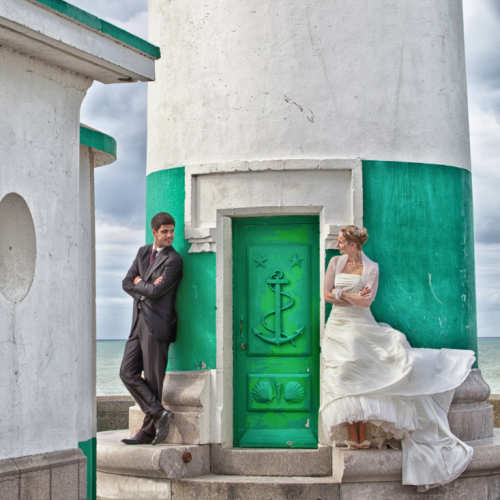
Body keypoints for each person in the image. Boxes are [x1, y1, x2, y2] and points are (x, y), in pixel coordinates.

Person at [320, 225, 475, 491]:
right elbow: (326, 295)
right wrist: (349, 297)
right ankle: (352, 433)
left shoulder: (372, 268)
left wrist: (342, 294)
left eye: (343, 241)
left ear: (355, 244)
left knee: (364, 374)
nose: (339, 245)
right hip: (337, 327)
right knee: (342, 374)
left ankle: (363, 435)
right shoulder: (335, 262)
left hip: (361, 326)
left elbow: (366, 303)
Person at [119, 212, 183, 445]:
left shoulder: (174, 260)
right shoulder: (143, 252)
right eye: (164, 231)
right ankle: (158, 413)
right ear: (154, 233)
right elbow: (126, 282)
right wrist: (141, 284)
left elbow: (156, 292)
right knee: (127, 372)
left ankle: (147, 431)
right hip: (138, 324)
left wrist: (139, 283)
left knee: (154, 381)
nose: (169, 236)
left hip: (157, 325)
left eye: (172, 231)